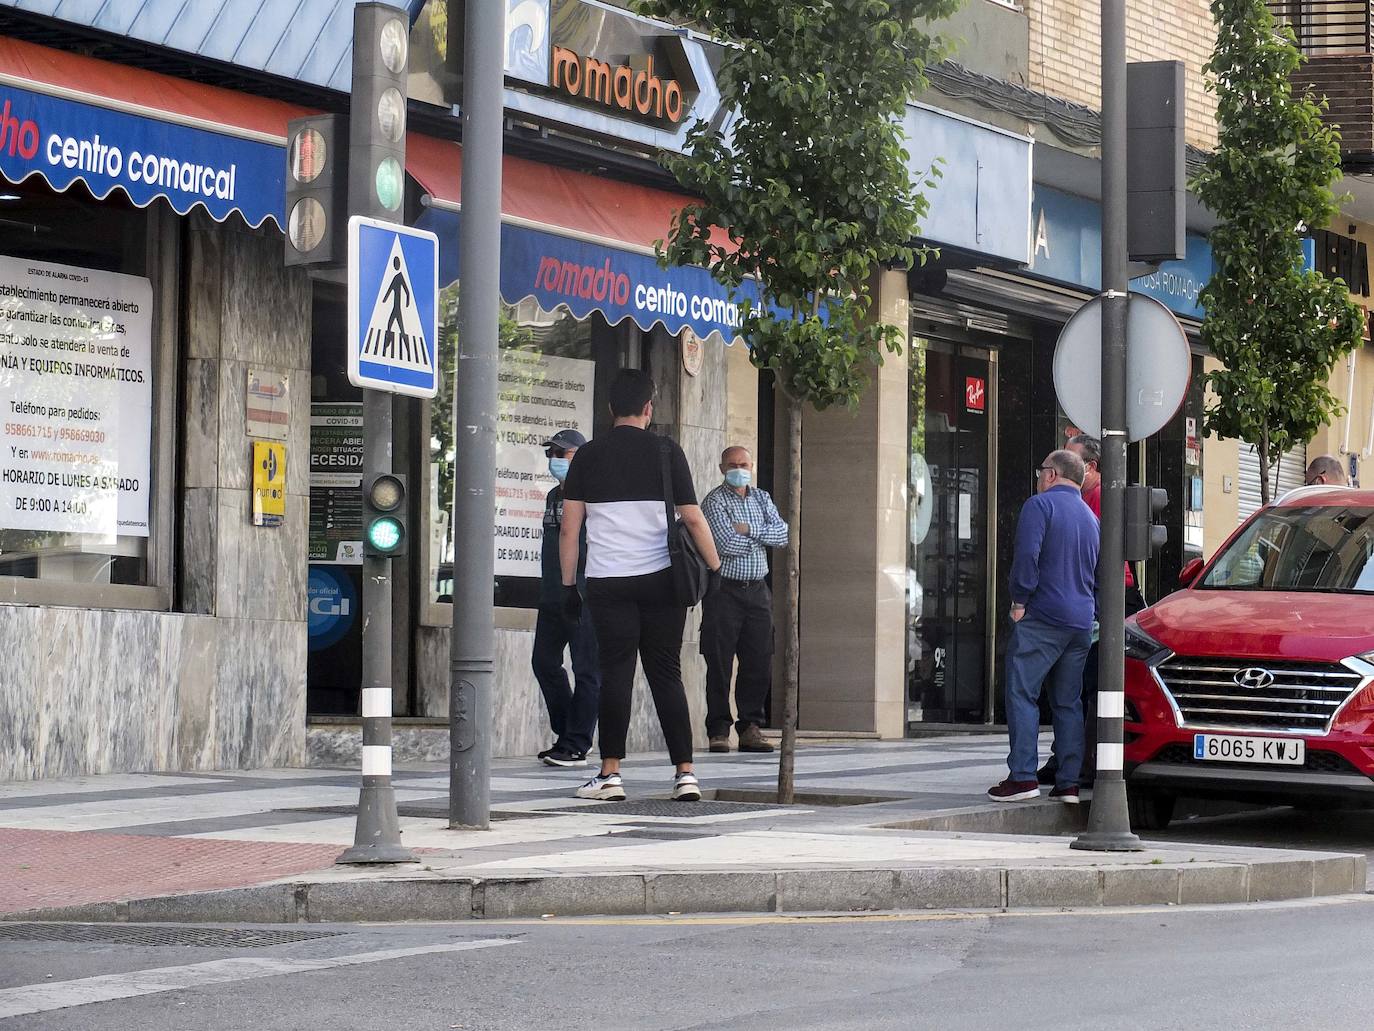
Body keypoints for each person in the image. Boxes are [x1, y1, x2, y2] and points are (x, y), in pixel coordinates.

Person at [559, 369, 723, 802]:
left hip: (609, 583)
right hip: (663, 584)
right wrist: (715, 567)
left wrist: (567, 586)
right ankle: (685, 774)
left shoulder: (588, 456)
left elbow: (570, 531)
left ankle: (610, 775)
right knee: (666, 674)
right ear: (649, 408)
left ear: (610, 408)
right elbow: (692, 517)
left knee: (616, 674)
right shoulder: (667, 452)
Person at [989, 449, 1099, 805]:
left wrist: (1019, 602)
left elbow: (1026, 558)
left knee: (1022, 692)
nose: (1039, 478)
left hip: (1044, 617)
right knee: (1068, 701)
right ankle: (1068, 782)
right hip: (1081, 622)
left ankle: (1022, 776)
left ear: (1051, 474)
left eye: (1041, 471)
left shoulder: (1039, 506)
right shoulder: (1090, 516)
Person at [1037, 432, 1145, 787]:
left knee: (1091, 686)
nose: (1062, 468)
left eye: (1070, 460)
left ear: (1092, 467)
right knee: (1081, 686)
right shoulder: (1084, 499)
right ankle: (1073, 762)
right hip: (1096, 596)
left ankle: (1083, 765)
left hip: (1107, 598)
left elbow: (1093, 558)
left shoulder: (1095, 501)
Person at [699, 446, 788, 753]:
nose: (739, 468)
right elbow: (726, 544)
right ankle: (719, 730)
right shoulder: (714, 501)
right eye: (733, 464)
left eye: (744, 464)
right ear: (722, 467)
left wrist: (749, 528)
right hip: (724, 590)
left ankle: (750, 727)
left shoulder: (762, 498)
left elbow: (783, 535)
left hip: (758, 591)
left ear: (752, 466)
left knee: (759, 660)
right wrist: (760, 536)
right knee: (720, 663)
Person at [531, 428, 600, 768]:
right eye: (552, 455)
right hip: (551, 595)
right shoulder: (552, 497)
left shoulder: (593, 496)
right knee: (543, 662)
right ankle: (565, 733)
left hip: (583, 595)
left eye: (563, 454)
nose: (555, 461)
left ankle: (576, 743)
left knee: (587, 669)